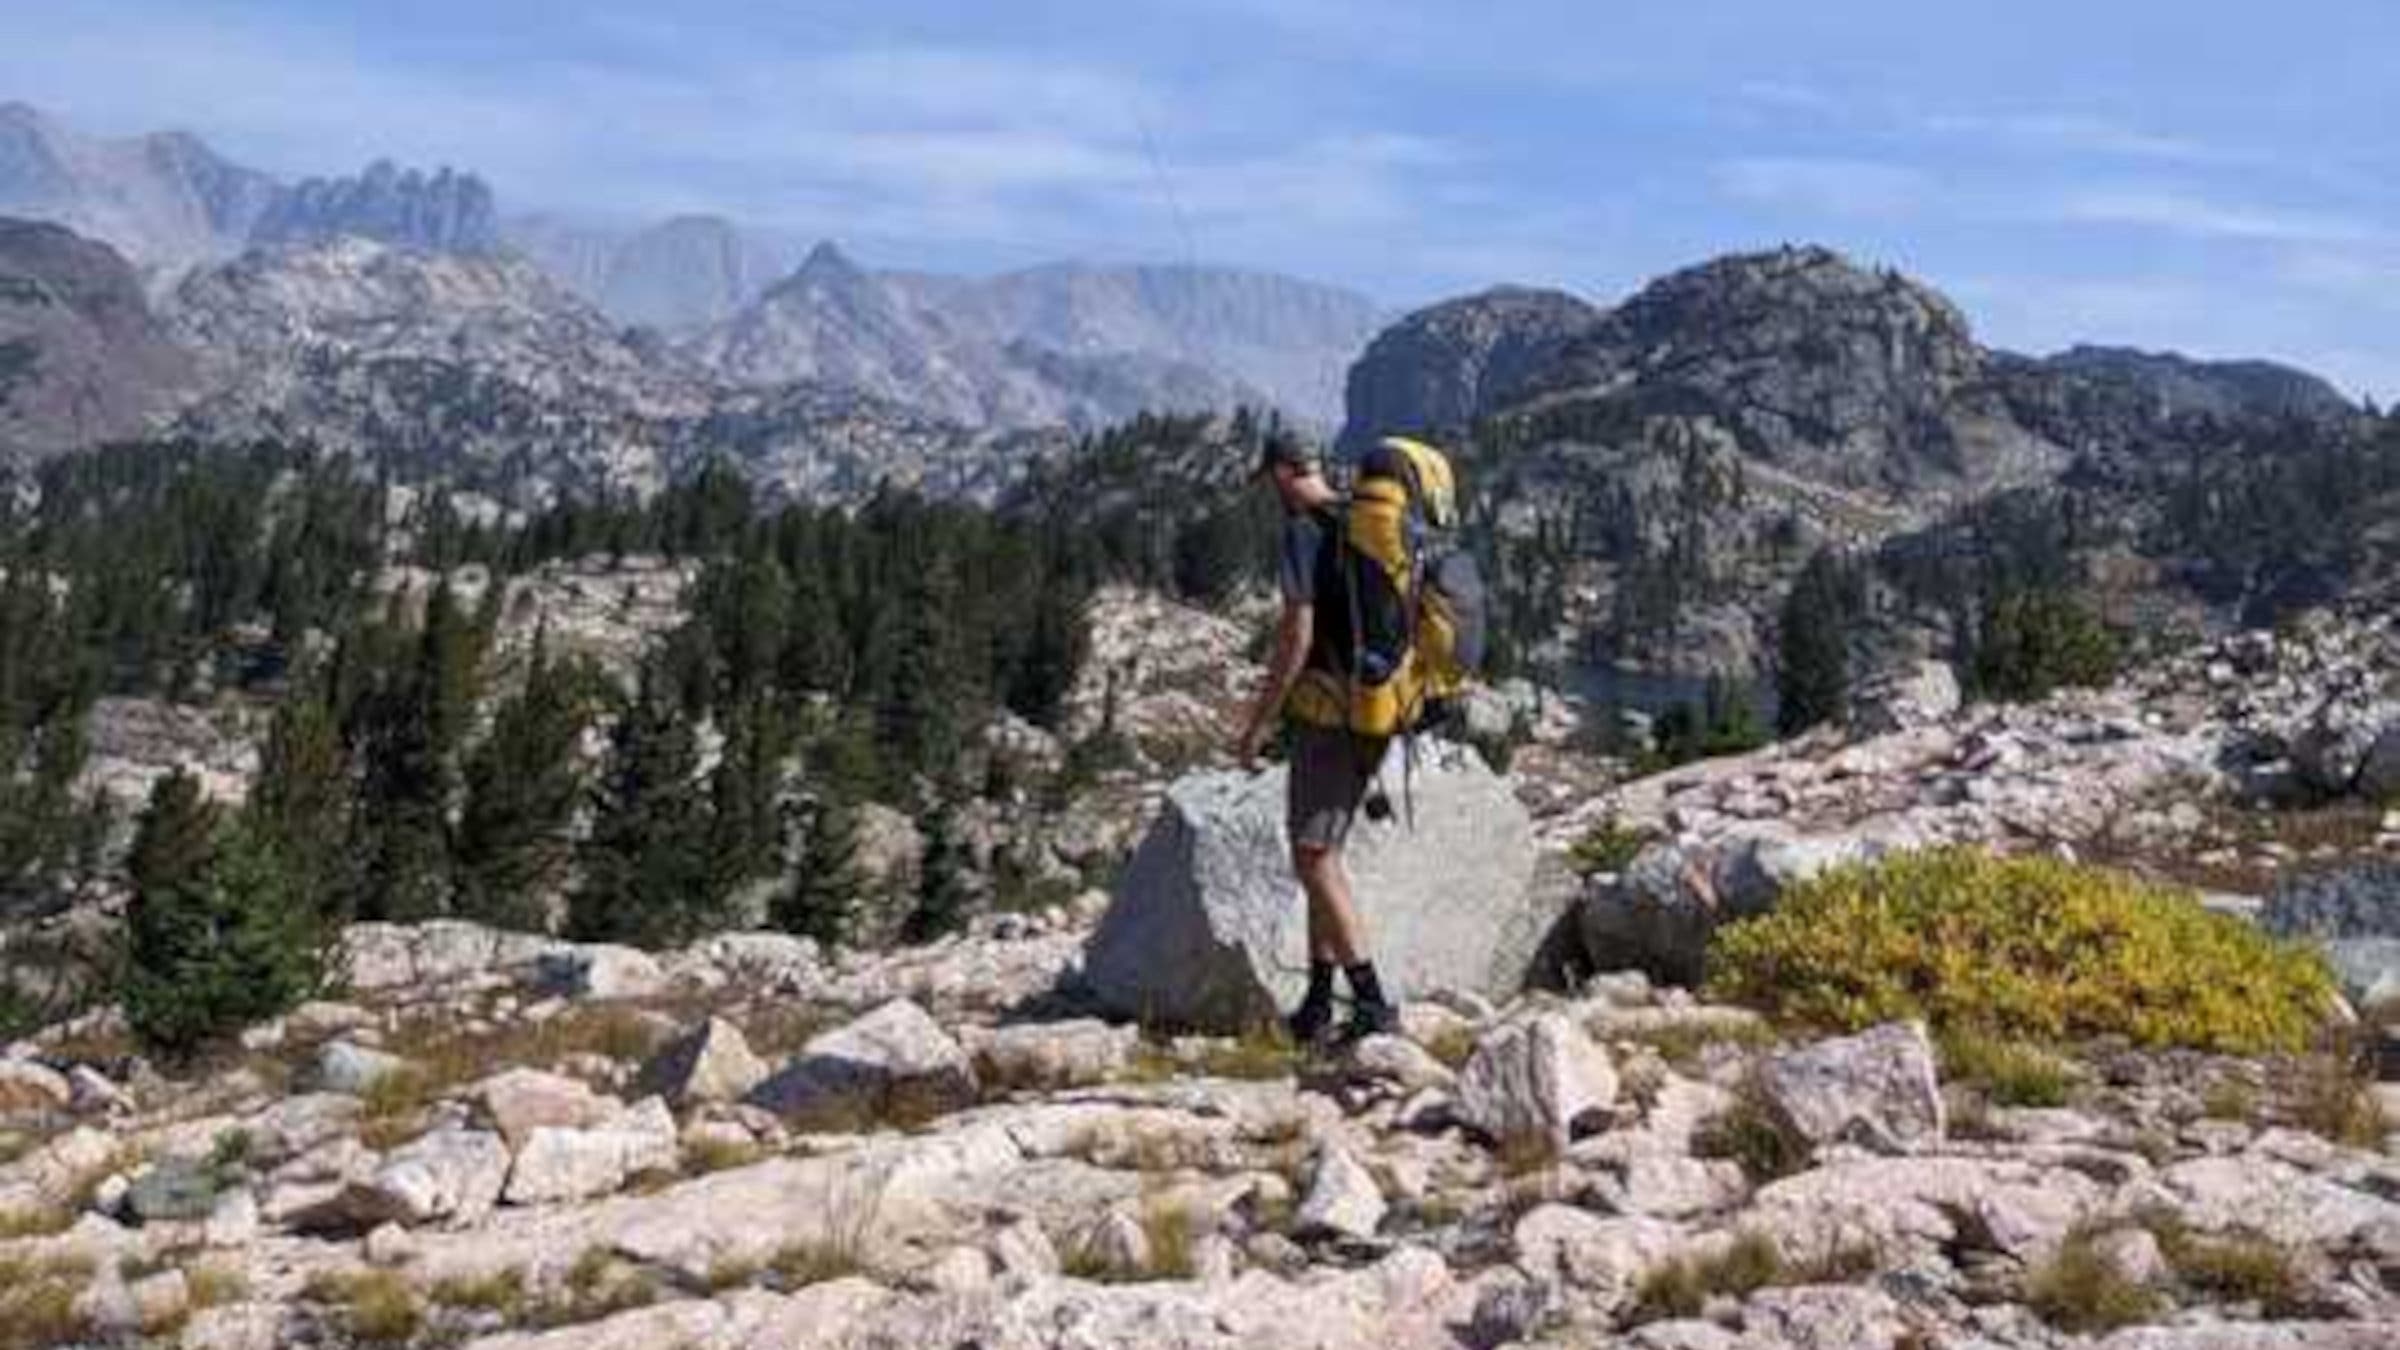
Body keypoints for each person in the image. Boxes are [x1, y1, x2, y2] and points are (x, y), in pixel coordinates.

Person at [1233, 428, 1400, 1046]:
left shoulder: (1303, 531)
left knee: (1313, 857)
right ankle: (1317, 1001)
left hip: (1330, 717)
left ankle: (1372, 1003)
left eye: (1269, 481)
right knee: (1321, 855)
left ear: (1282, 473)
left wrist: (1258, 722)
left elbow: (1296, 636)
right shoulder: (1358, 519)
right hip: (1376, 710)